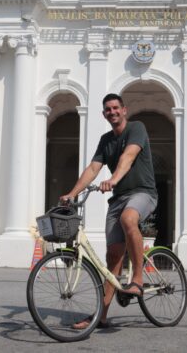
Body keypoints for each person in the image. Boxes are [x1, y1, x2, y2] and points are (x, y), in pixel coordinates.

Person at [60, 93, 158, 329]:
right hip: (118, 199)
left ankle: (137, 280)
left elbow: (129, 155)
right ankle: (100, 316)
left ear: (124, 110)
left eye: (116, 108)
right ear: (104, 114)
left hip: (143, 192)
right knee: (112, 257)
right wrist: (72, 193)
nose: (112, 112)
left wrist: (113, 179)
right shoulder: (106, 140)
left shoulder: (137, 128)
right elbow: (93, 168)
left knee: (128, 218)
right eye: (108, 109)